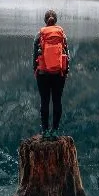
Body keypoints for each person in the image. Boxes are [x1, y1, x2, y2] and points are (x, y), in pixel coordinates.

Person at [33, 9, 70, 139]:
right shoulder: (62, 35)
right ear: (56, 21)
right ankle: (55, 131)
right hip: (58, 74)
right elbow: (67, 55)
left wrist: (36, 71)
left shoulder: (40, 35)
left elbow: (34, 57)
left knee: (44, 102)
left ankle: (45, 131)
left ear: (45, 21)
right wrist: (65, 72)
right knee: (57, 101)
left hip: (43, 73)